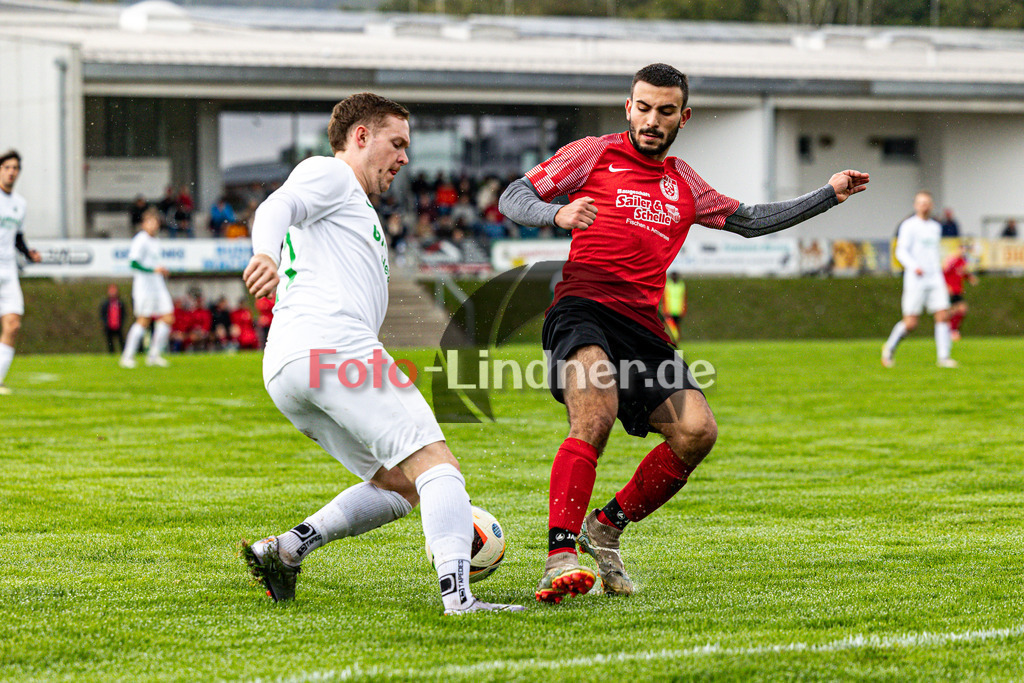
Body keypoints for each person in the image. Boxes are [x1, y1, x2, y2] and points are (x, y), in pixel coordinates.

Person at [498, 63, 869, 603]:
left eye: (665, 111)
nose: (652, 120)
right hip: (583, 309)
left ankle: (606, 527)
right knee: (594, 413)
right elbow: (515, 195)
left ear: (683, 117)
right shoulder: (593, 152)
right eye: (642, 108)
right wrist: (555, 214)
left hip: (645, 329)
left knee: (697, 432)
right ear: (629, 107)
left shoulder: (683, 182)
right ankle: (560, 555)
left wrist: (826, 194)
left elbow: (750, 219)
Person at [240, 92, 524, 616]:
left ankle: (286, 549)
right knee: (438, 466)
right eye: (397, 143)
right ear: (360, 137)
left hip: (288, 364)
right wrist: (264, 251)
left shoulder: (352, 207)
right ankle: (460, 599)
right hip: (331, 346)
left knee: (401, 483)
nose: (405, 158)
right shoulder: (333, 175)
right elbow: (276, 206)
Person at [882, 191, 956, 368]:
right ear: (915, 205)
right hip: (915, 278)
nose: (924, 205)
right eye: (921, 202)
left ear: (931, 205)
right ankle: (889, 348)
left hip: (934, 277)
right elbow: (901, 251)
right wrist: (914, 266)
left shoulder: (935, 227)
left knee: (943, 315)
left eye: (927, 202)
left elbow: (934, 252)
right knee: (911, 323)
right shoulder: (908, 226)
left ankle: (944, 357)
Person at [0, 149, 42, 395]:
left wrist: (29, 253)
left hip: (8, 270)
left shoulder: (20, 204)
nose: (11, 171)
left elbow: (17, 237)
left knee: (13, 325)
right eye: (7, 167)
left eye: (15, 168)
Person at [120, 207, 174, 368]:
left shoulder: (156, 241)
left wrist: (161, 270)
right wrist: (152, 270)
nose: (153, 225)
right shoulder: (140, 239)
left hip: (158, 285)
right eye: (149, 222)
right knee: (143, 320)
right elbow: (133, 263)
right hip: (144, 287)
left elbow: (154, 263)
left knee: (168, 317)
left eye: (155, 222)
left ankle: (154, 355)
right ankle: (127, 356)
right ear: (144, 224)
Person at [944, 241, 978, 341]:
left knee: (955, 311)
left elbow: (962, 273)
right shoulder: (952, 260)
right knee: (960, 309)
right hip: (951, 289)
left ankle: (950, 330)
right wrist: (947, 286)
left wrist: (970, 278)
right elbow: (944, 273)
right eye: (961, 248)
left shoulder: (963, 261)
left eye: (964, 249)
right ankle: (952, 331)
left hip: (958, 290)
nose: (963, 251)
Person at [99, 283, 127, 353]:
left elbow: (124, 314)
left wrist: (121, 322)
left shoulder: (120, 303)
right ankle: (111, 354)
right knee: (110, 342)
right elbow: (102, 314)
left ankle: (124, 353)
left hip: (118, 326)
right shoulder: (105, 303)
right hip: (109, 326)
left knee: (121, 341)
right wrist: (106, 323)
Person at [661, 272, 687, 344]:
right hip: (669, 310)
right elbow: (664, 298)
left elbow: (684, 298)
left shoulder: (681, 285)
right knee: (669, 326)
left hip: (678, 310)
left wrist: (683, 308)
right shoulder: (668, 285)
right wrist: (665, 309)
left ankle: (675, 341)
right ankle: (669, 340)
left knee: (677, 326)